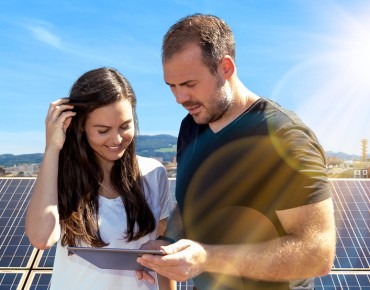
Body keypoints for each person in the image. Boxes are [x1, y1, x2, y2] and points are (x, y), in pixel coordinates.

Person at [137, 13, 336, 290]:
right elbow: (188, 204)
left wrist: (207, 258)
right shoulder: (191, 128)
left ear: (226, 68)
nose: (180, 98)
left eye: (189, 84)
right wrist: (166, 244)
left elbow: (317, 255)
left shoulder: (284, 137)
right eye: (172, 86)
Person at [25, 67, 176, 290]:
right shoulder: (59, 175)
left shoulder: (153, 173)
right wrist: (52, 148)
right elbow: (41, 238)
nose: (117, 139)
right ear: (81, 127)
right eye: (103, 130)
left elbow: (164, 251)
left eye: (125, 126)